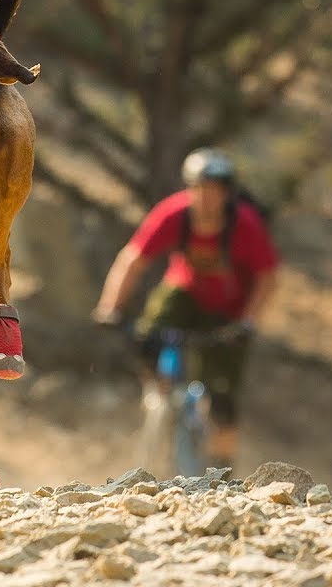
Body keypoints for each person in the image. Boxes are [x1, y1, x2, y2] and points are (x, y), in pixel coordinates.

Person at [92, 147, 279, 469]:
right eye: (200, 190)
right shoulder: (173, 214)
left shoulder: (245, 225)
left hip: (229, 311)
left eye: (215, 192)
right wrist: (110, 307)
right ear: (189, 189)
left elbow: (267, 277)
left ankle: (223, 467)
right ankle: (159, 394)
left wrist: (248, 322)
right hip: (186, 292)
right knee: (148, 332)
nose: (206, 199)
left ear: (227, 195)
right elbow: (133, 260)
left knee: (221, 399)